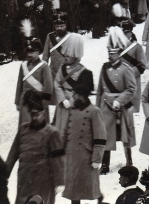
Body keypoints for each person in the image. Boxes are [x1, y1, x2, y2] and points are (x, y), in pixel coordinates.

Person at [6, 90, 65, 204]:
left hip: (43, 180)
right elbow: (13, 154)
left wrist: (60, 181)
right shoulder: (23, 129)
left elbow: (58, 160)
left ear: (44, 113)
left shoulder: (52, 133)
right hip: (24, 179)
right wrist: (4, 174)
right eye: (32, 114)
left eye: (37, 114)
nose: (34, 118)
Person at [62, 69, 107, 204]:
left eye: (74, 94)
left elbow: (100, 137)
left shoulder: (94, 111)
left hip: (86, 158)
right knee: (73, 191)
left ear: (82, 96)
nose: (72, 96)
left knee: (90, 187)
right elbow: (65, 133)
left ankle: (99, 199)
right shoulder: (72, 110)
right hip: (71, 157)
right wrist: (61, 151)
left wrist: (97, 158)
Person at [97, 26, 138, 173]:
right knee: (106, 134)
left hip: (122, 107)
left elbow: (131, 89)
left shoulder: (126, 69)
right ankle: (105, 164)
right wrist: (98, 108)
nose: (110, 55)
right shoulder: (104, 68)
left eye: (113, 53)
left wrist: (119, 101)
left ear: (119, 53)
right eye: (109, 52)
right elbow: (100, 90)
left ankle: (129, 160)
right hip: (106, 107)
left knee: (125, 135)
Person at [14, 38, 53, 127]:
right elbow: (19, 85)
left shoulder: (44, 66)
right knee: (25, 126)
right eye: (28, 52)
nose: (29, 54)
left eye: (32, 52)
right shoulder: (23, 65)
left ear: (38, 52)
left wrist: (44, 104)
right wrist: (17, 102)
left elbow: (48, 86)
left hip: (38, 102)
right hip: (25, 102)